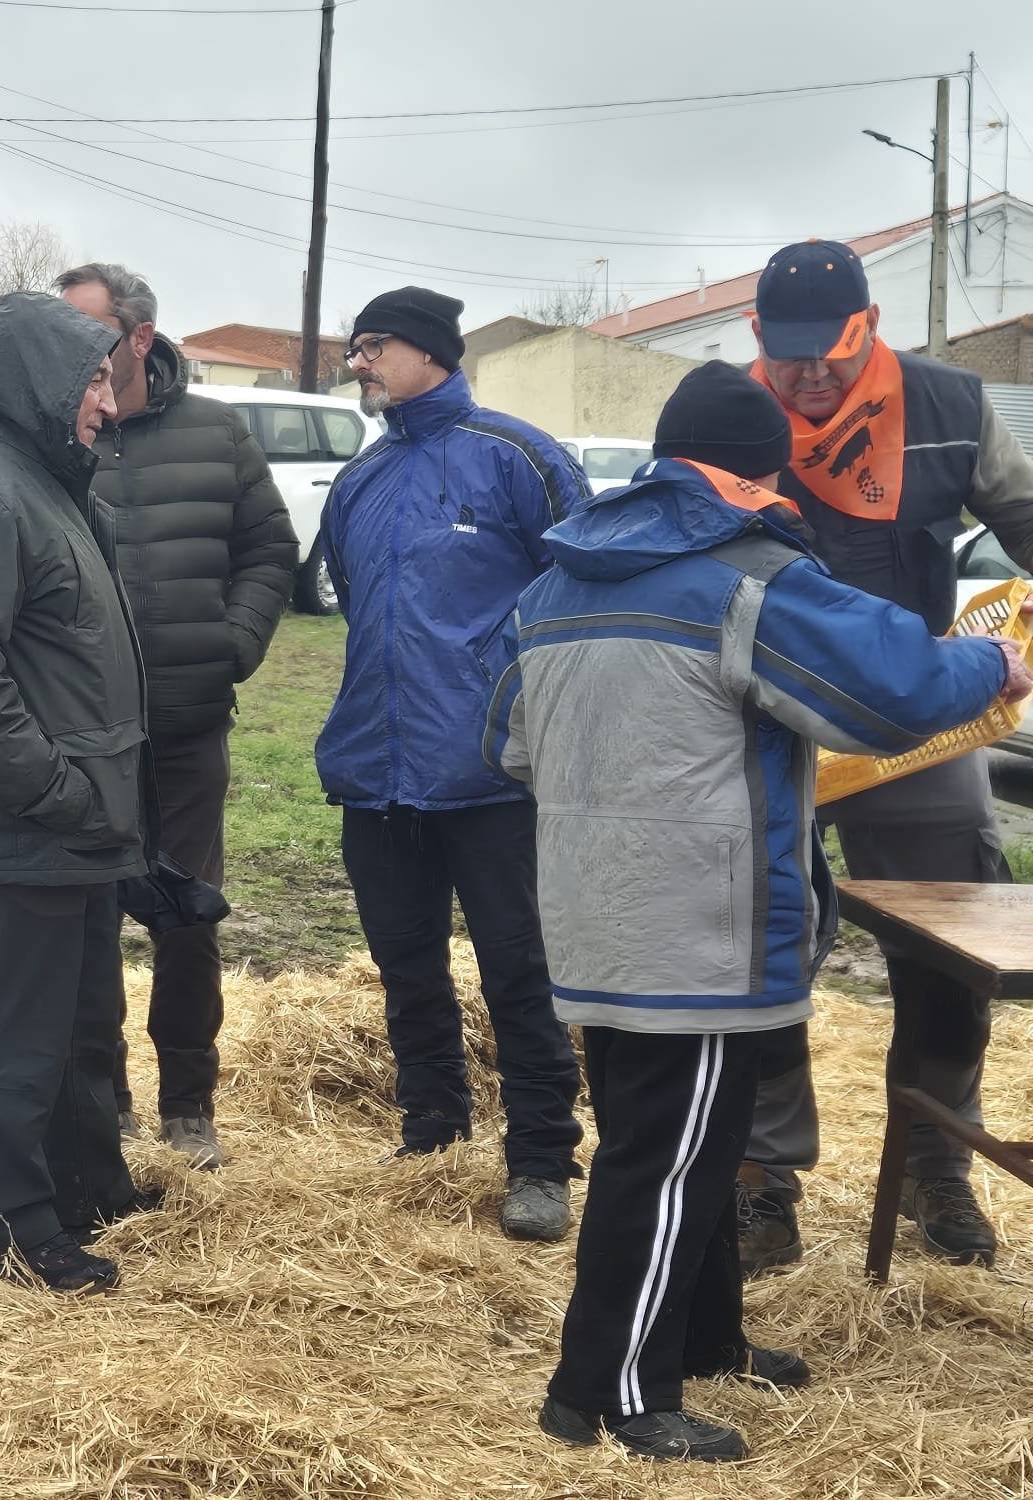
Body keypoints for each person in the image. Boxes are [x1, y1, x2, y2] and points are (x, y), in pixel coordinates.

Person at [488, 360, 1027, 1460]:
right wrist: (991, 664)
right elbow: (890, 691)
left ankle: (704, 1340)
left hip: (596, 912)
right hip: (696, 926)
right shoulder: (745, 577)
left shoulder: (554, 582)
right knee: (665, 1159)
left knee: (701, 1137)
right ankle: (610, 1393)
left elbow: (505, 742)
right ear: (756, 476)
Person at [739, 240, 1033, 1273]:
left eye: (828, 352)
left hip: (912, 713)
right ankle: (758, 1178)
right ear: (754, 343)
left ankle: (933, 1165)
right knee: (754, 927)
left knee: (955, 924)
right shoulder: (727, 411)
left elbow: (1024, 517)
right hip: (761, 711)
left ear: (867, 328)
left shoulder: (949, 406)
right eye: (787, 357)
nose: (808, 374)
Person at [315, 286, 586, 1241]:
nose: (359, 364)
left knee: (521, 968)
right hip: (377, 769)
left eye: (374, 347)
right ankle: (430, 1131)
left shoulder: (517, 457)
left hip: (492, 774)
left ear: (430, 351)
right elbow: (353, 597)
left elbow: (578, 590)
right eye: (354, 349)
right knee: (406, 965)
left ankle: (543, 1157)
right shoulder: (360, 481)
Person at [0, 291, 162, 1295]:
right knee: (14, 1032)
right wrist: (53, 789)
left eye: (108, 377)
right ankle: (6, 1224)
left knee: (80, 1022)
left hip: (77, 823)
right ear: (41, 382)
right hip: (21, 822)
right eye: (93, 378)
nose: (107, 399)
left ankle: (83, 1187)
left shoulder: (47, 483)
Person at [55, 262, 297, 1170]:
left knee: (189, 917)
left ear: (139, 338)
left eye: (87, 330)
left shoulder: (215, 432)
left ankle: (188, 1104)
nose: (72, 349)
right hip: (85, 729)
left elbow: (271, 546)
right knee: (87, 916)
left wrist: (231, 643)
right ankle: (103, 1099)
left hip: (190, 720)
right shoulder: (55, 436)